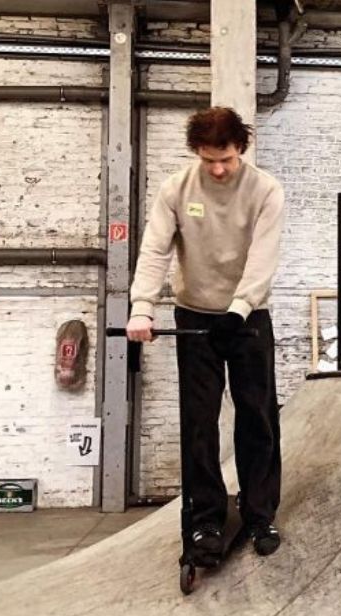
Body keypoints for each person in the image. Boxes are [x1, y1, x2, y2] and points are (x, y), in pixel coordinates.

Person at [125, 106, 285, 557]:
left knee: (257, 417)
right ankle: (205, 520)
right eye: (209, 159)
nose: (218, 169)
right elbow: (155, 250)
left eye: (227, 159)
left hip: (248, 318)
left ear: (241, 149)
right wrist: (142, 308)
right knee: (199, 422)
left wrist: (240, 308)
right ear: (196, 151)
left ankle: (259, 513)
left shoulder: (265, 190)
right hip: (194, 316)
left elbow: (264, 257)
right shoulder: (176, 189)